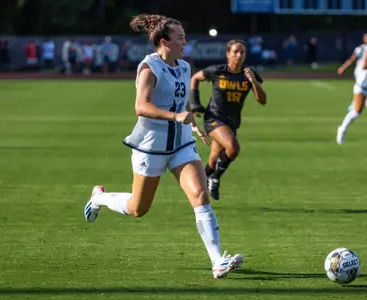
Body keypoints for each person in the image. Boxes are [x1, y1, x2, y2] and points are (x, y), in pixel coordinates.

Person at [83, 14, 243, 279]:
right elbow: (141, 106)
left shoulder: (183, 66)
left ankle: (217, 261)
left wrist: (190, 123)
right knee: (138, 209)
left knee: (201, 197)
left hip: (181, 144)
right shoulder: (149, 67)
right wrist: (175, 116)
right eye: (179, 37)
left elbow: (181, 106)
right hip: (151, 146)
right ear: (163, 41)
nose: (185, 41)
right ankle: (98, 198)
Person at [189, 40, 267, 200]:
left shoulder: (248, 74)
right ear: (228, 54)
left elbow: (262, 100)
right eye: (235, 52)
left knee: (213, 160)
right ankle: (215, 178)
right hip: (214, 118)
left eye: (242, 52)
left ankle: (199, 184)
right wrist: (195, 103)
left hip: (232, 122)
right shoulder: (218, 71)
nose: (239, 55)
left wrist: (253, 82)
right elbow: (195, 78)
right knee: (233, 147)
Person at [337, 33, 367, 116]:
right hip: (360, 71)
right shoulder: (360, 48)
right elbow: (352, 59)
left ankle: (354, 103)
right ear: (364, 39)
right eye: (366, 37)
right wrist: (343, 67)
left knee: (363, 88)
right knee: (364, 88)